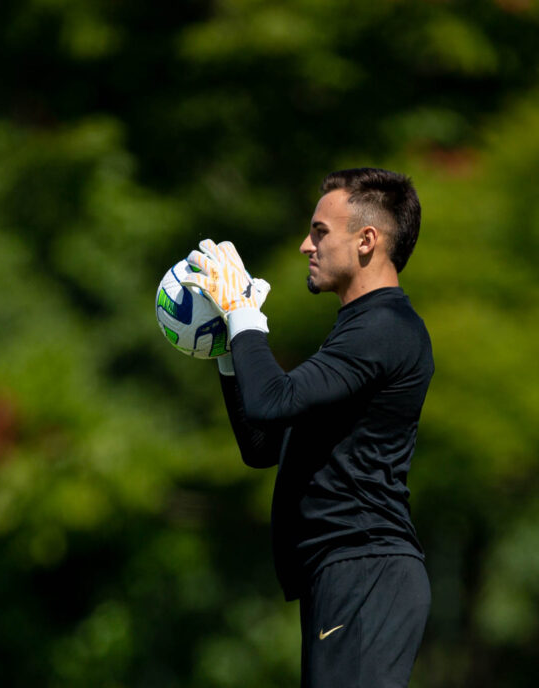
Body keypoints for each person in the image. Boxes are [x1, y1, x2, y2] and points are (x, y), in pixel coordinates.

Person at [182, 168, 433, 688]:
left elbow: (273, 401)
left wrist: (241, 313)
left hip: (366, 570)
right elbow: (262, 443)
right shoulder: (359, 330)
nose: (305, 245)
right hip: (344, 575)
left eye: (319, 232)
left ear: (367, 240)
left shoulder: (384, 329)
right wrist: (231, 347)